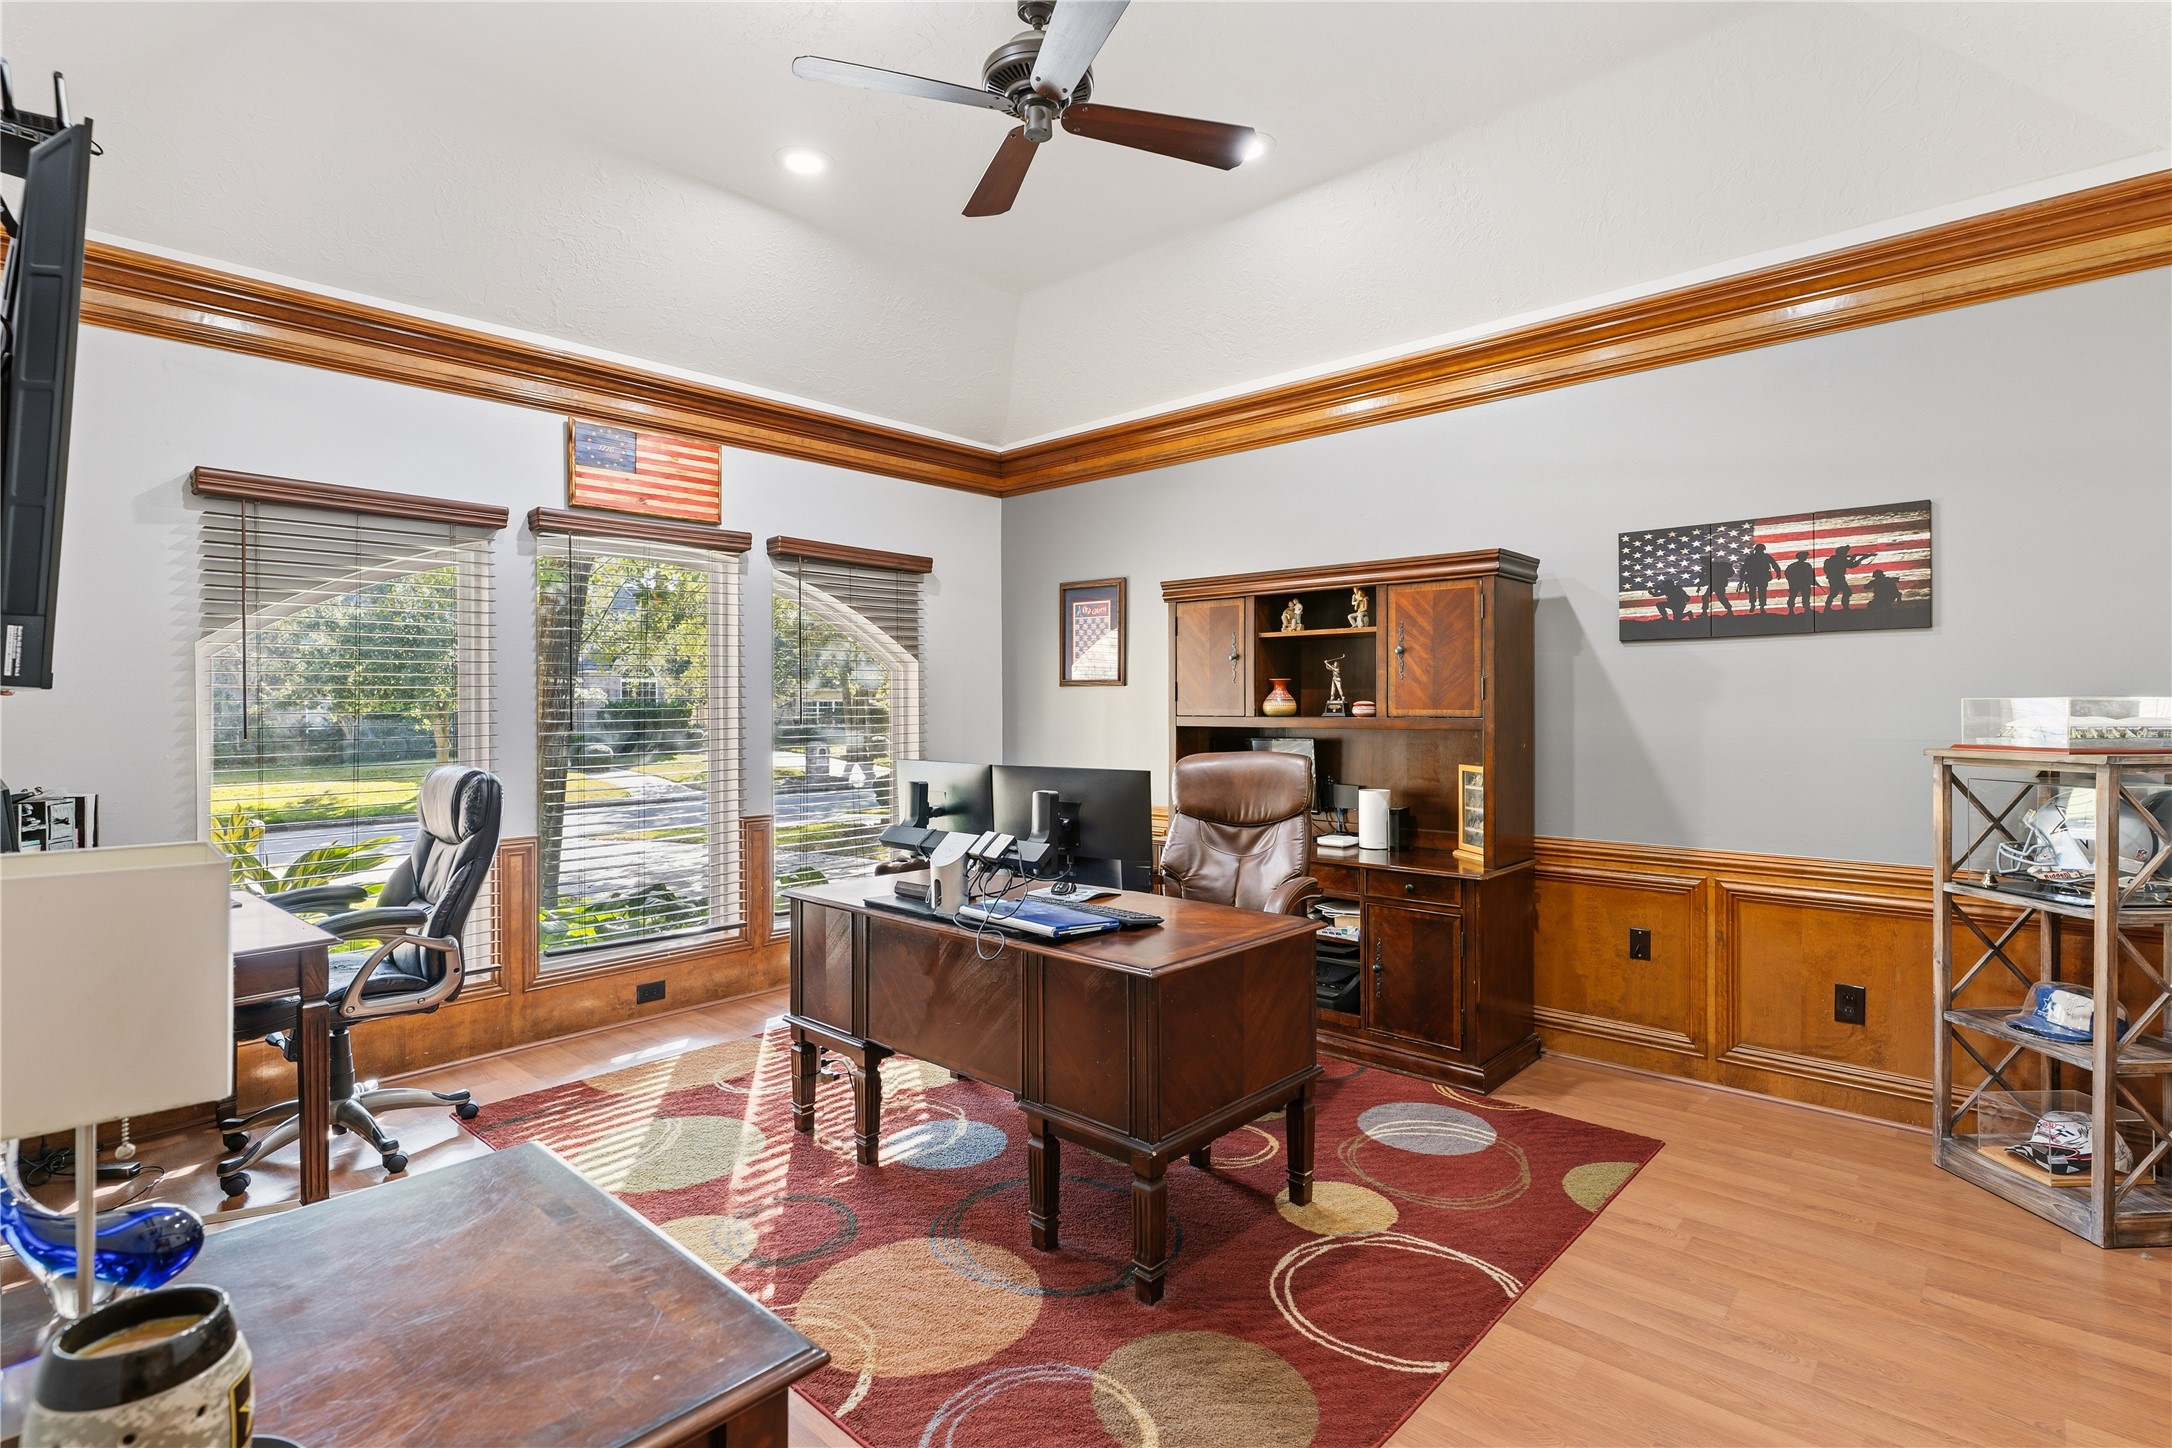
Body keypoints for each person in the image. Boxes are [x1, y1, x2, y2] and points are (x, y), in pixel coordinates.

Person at [1823, 544, 1874, 612]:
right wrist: (1862, 558)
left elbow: (1847, 563)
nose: (1846, 553)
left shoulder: (1833, 559)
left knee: (1834, 593)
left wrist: (1852, 558)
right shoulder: (1840, 559)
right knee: (1846, 592)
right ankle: (1844, 608)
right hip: (1838, 578)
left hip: (1834, 578)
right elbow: (1852, 565)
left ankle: (1828, 607)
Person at [1739, 542, 1781, 614]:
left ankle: (1760, 606)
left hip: (1760, 577)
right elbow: (1744, 568)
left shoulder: (1754, 557)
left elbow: (1774, 564)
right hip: (1755, 577)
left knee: (1760, 592)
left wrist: (1778, 572)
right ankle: (1755, 605)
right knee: (1756, 592)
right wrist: (1778, 572)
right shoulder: (1754, 557)